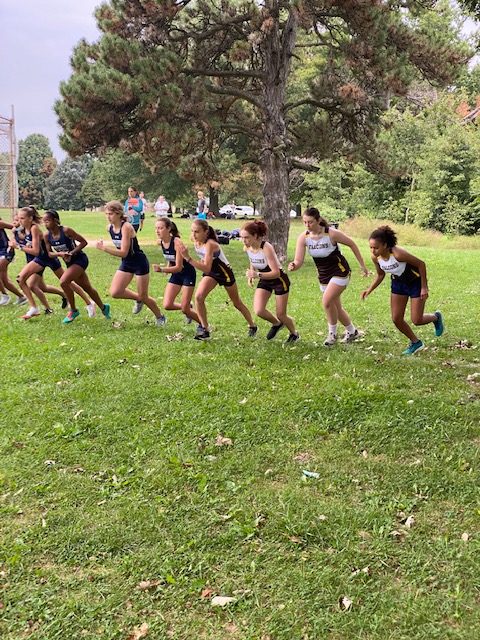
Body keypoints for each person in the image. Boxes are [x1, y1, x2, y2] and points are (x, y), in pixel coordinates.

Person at [288, 207, 369, 346]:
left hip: (340, 271)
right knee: (335, 306)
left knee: (326, 301)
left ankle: (332, 335)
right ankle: (352, 331)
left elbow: (352, 244)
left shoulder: (331, 233)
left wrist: (363, 266)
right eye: (305, 222)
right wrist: (294, 265)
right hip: (323, 275)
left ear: (318, 220)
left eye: (311, 222)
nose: (307, 225)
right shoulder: (304, 237)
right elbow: (299, 261)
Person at [361, 225, 443, 355]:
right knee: (396, 318)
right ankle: (416, 342)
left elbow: (421, 264)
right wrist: (369, 289)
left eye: (376, 247)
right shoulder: (376, 258)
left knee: (417, 320)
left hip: (415, 282)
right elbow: (381, 275)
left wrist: (424, 287)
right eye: (370, 247)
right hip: (398, 284)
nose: (373, 250)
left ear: (386, 245)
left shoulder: (398, 254)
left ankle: (436, 318)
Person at [181, 218, 257, 340]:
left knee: (236, 302)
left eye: (197, 232)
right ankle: (205, 329)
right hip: (211, 272)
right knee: (199, 297)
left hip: (224, 272)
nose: (193, 235)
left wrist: (188, 258)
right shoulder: (195, 241)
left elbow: (206, 267)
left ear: (206, 232)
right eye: (192, 231)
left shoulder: (211, 244)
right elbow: (205, 265)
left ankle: (252, 325)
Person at [96, 200, 166, 326]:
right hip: (127, 263)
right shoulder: (109, 228)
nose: (108, 217)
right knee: (115, 292)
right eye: (106, 214)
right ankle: (138, 299)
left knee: (144, 295)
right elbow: (124, 256)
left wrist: (104, 248)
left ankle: (160, 317)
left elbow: (123, 252)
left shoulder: (126, 227)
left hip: (139, 262)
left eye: (111, 214)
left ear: (118, 214)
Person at [43, 210, 111, 324]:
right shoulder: (47, 236)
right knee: (87, 288)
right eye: (44, 222)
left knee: (63, 282)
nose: (45, 224)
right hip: (69, 263)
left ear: (55, 220)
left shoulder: (66, 231)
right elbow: (49, 253)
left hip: (80, 260)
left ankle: (73, 310)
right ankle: (104, 308)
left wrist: (72, 253)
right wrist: (60, 254)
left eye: (48, 221)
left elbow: (83, 242)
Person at [240, 220, 299, 343]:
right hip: (264, 278)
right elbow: (252, 259)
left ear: (256, 236)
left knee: (281, 314)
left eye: (246, 237)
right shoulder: (248, 247)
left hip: (279, 280)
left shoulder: (266, 247)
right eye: (242, 237)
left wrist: (256, 274)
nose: (243, 240)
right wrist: (251, 274)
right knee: (259, 310)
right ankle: (277, 324)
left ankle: (294, 334)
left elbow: (276, 272)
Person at [152, 218, 201, 325]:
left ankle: (203, 325)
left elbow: (179, 267)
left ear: (168, 229)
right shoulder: (161, 242)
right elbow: (171, 257)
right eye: (156, 228)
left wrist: (162, 269)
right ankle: (189, 306)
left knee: (185, 309)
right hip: (176, 275)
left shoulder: (177, 242)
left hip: (187, 274)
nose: (157, 231)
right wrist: (168, 265)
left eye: (160, 228)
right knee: (167, 305)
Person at [0, 217, 26, 305]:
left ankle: (22, 297)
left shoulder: (0, 223)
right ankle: (5, 295)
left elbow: (16, 228)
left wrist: (13, 241)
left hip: (6, 251)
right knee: (3, 278)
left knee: (4, 279)